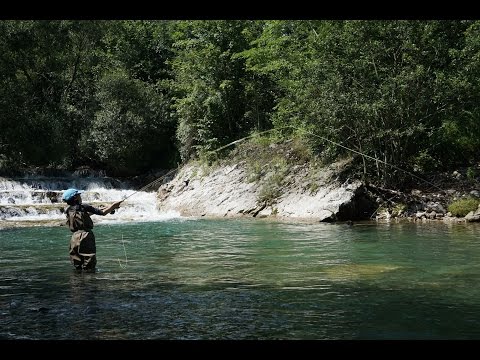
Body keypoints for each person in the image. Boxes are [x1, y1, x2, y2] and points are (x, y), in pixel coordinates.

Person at [62, 188, 122, 272]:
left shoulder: (68, 210)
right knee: (89, 259)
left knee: (77, 261)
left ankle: (77, 281)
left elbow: (84, 214)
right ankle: (90, 280)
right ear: (76, 197)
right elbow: (103, 213)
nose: (80, 197)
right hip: (85, 236)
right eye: (79, 195)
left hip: (74, 238)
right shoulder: (84, 207)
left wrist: (105, 208)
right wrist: (113, 206)